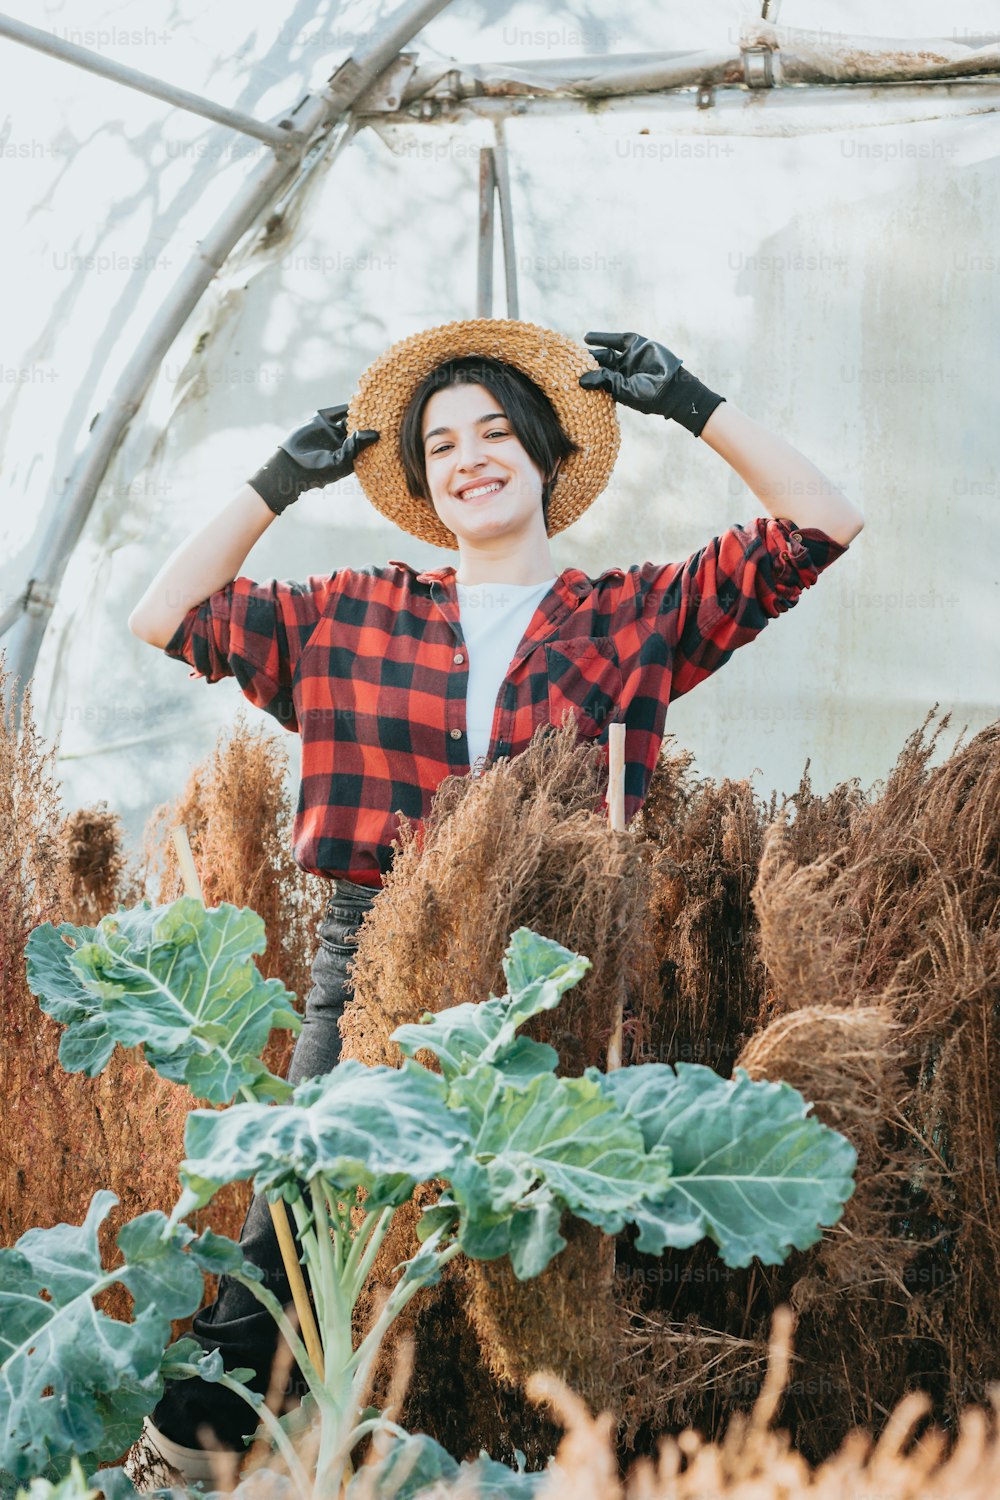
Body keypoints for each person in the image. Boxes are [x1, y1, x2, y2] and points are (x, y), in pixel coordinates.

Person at [124, 319, 863, 1485]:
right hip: (372, 948)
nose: (470, 456)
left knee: (536, 1241)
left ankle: (520, 1454)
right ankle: (202, 1453)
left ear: (543, 457)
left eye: (494, 432)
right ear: (420, 483)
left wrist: (691, 401)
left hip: (549, 967)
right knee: (300, 1210)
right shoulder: (352, 612)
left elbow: (822, 527)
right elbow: (164, 616)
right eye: (440, 444)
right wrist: (279, 480)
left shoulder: (630, 615)